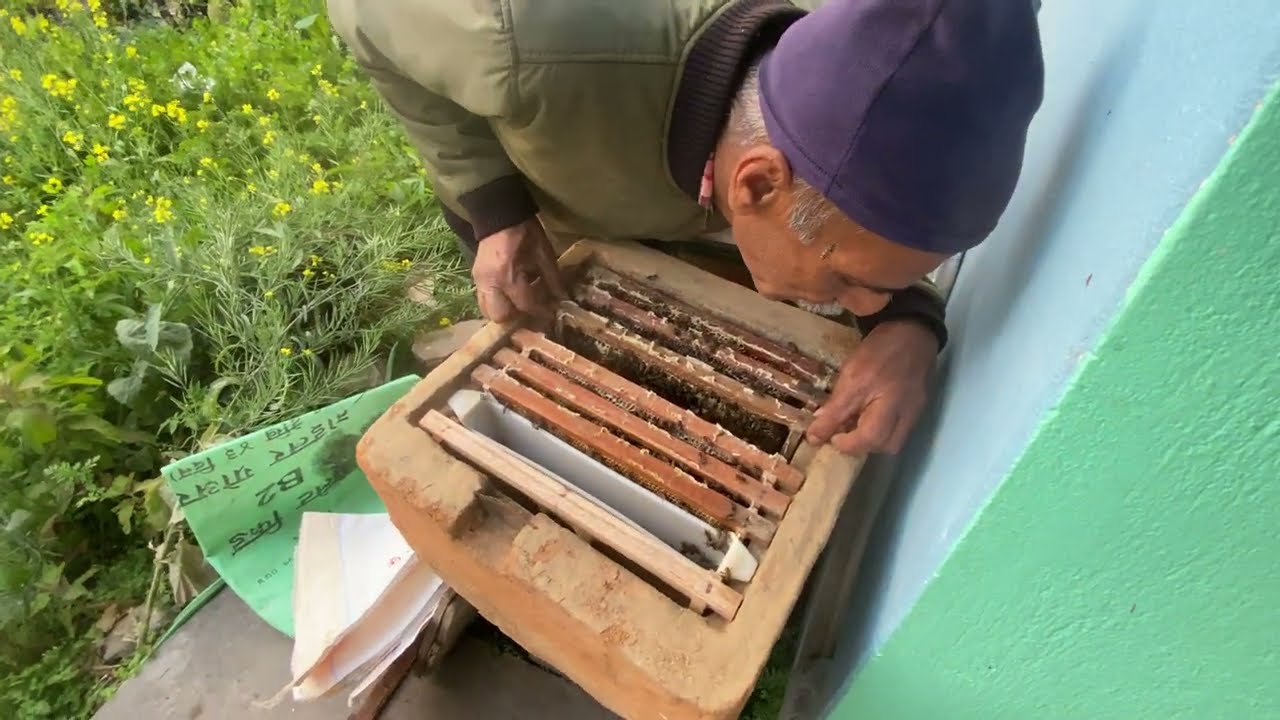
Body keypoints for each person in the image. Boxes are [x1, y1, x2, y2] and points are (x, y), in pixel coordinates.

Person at [326, 0, 1045, 456]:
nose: (856, 303)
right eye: (850, 281)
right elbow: (362, 17)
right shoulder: (517, 37)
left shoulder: (822, 121)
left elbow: (871, 231)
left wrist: (910, 321)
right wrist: (492, 209)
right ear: (757, 182)